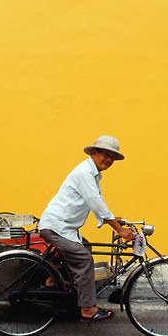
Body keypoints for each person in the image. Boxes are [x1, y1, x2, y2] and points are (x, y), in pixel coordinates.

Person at [38, 135, 134, 322]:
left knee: (85, 246)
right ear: (94, 153)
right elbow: (95, 202)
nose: (108, 159)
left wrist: (113, 219)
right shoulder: (85, 173)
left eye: (112, 157)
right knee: (83, 259)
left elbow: (98, 201)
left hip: (64, 227)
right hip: (56, 226)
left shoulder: (92, 173)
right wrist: (118, 229)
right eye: (104, 154)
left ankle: (53, 282)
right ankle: (88, 309)